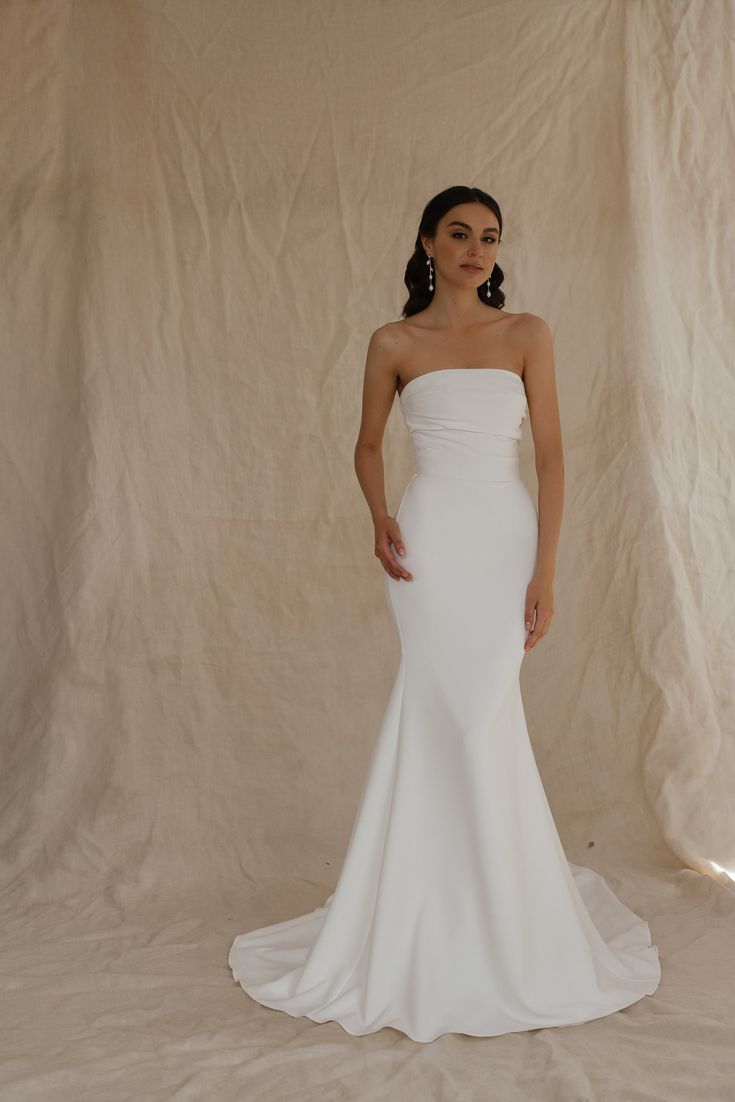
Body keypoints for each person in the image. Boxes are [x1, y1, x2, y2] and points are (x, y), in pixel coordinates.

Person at [228, 185, 661, 1043]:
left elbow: (550, 458)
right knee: (441, 717)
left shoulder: (526, 333)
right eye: (459, 233)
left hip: (502, 544)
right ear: (428, 241)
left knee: (480, 719)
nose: (475, 249)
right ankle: (424, 915)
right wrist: (379, 513)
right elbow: (363, 442)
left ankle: (497, 916)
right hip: (424, 547)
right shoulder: (394, 341)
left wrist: (545, 572)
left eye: (489, 237)